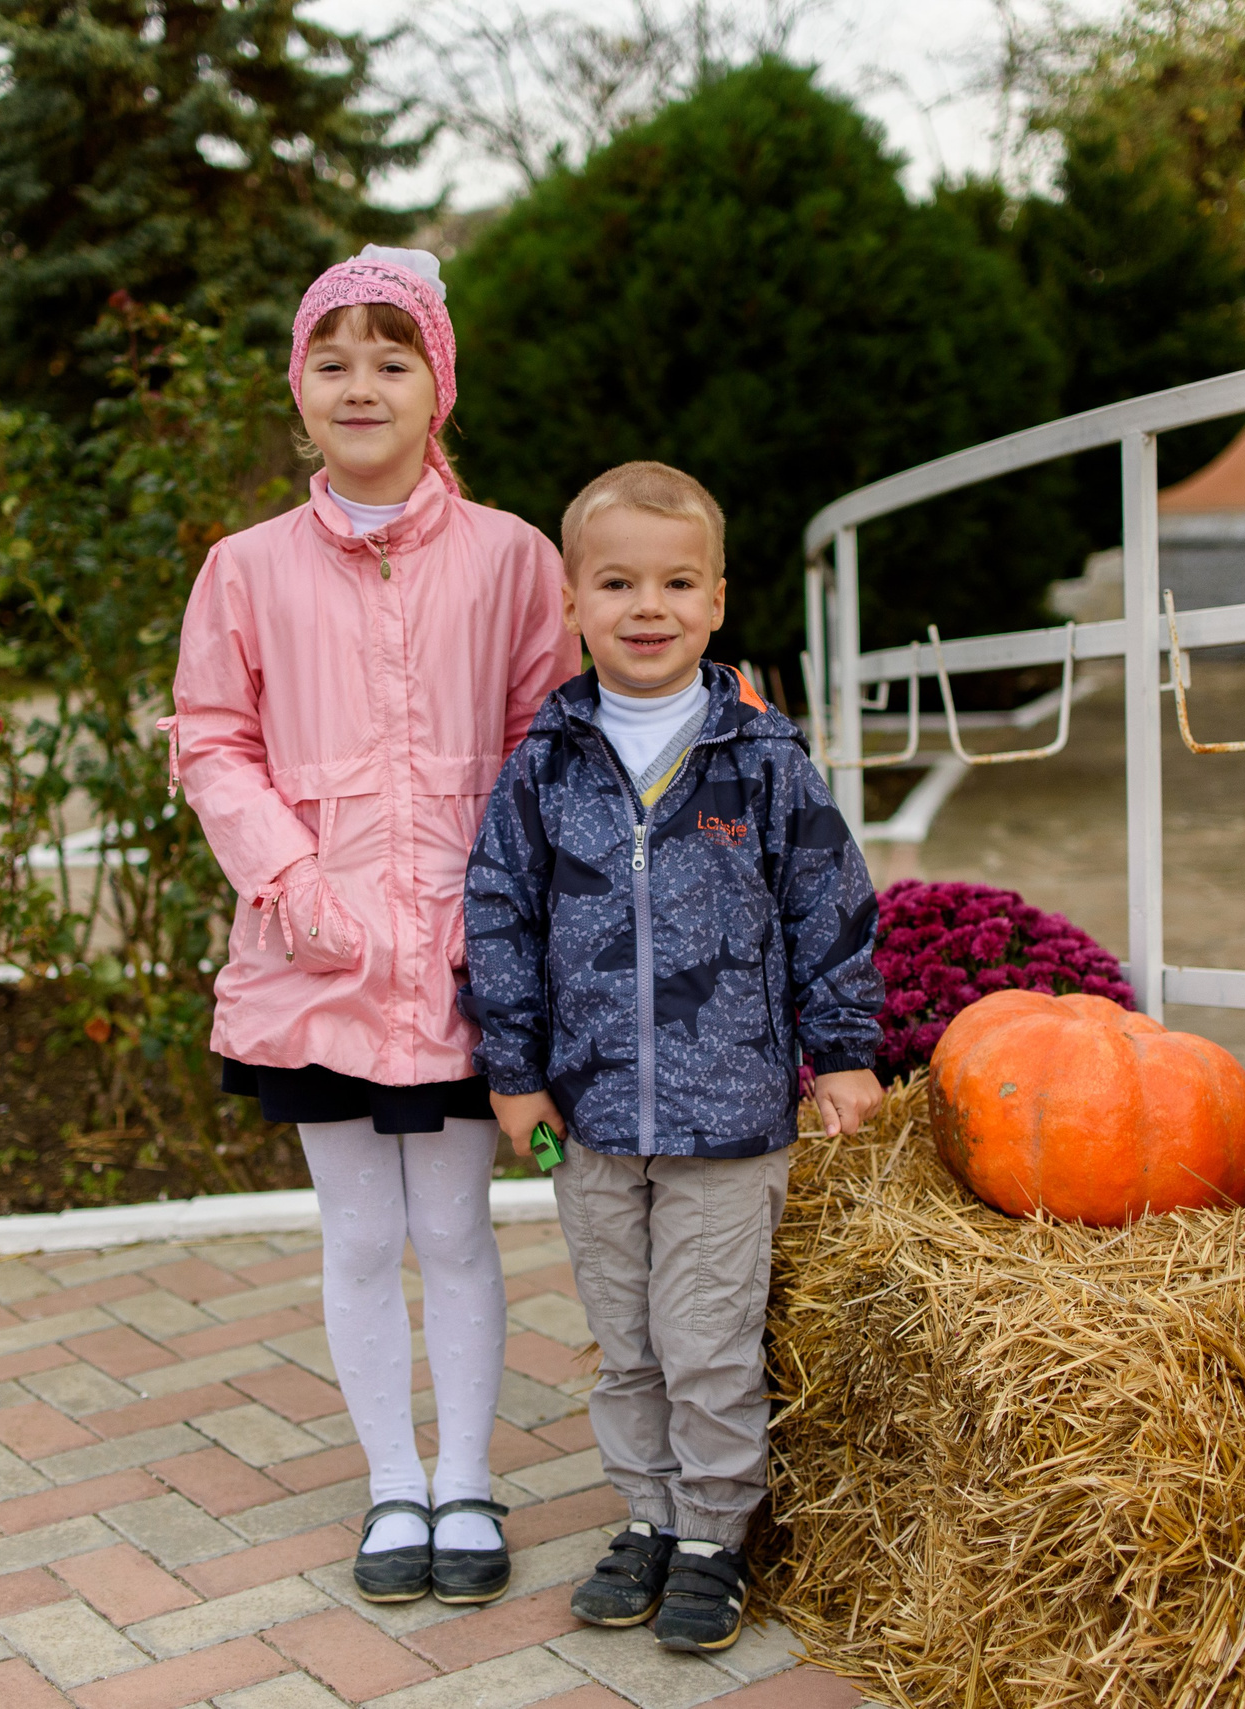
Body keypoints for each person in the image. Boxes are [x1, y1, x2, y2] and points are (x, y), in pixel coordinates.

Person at [168, 246, 572, 1607]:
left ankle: (468, 1480)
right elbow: (214, 740)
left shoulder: (515, 559)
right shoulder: (244, 569)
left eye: (391, 360)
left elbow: (542, 740)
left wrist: (497, 899)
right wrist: (294, 880)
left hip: (465, 955)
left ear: (437, 388)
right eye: (332, 361)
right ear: (298, 389)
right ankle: (392, 1484)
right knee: (356, 1231)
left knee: (455, 1228)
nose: (361, 385)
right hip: (317, 955)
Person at [462, 461, 886, 1652]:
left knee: (706, 1338)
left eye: (675, 582)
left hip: (729, 1119)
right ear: (570, 599)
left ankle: (713, 1532)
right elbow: (498, 917)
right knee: (627, 1339)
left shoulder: (761, 760)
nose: (645, 606)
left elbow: (829, 905)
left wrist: (844, 1049)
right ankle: (643, 1515)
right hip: (589, 1116)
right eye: (617, 582)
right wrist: (514, 1071)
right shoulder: (543, 767)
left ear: (714, 602)